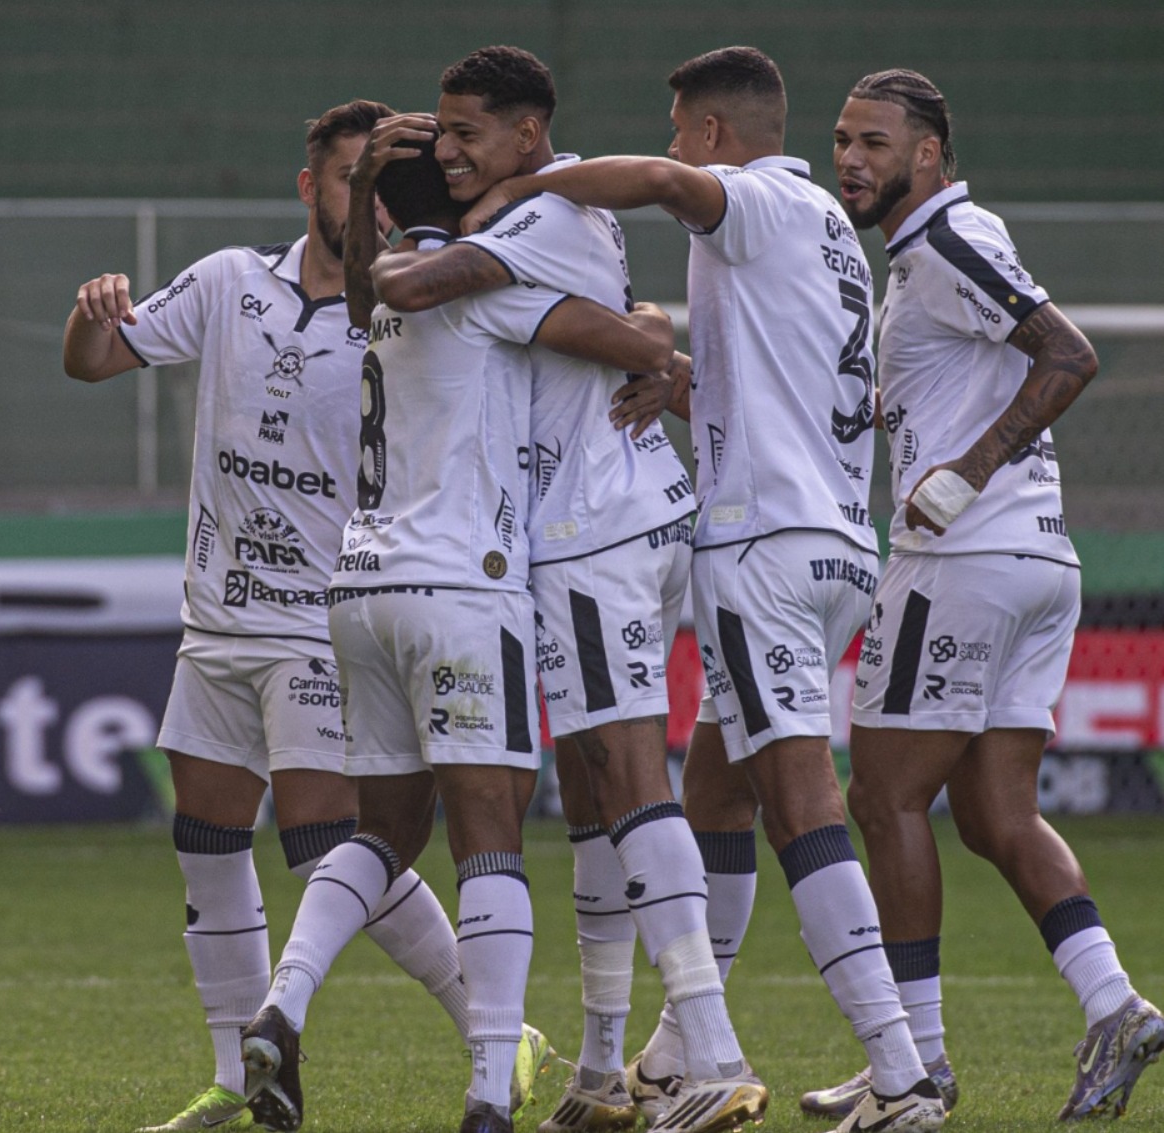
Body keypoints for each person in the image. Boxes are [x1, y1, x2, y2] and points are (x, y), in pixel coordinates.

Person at [462, 46, 951, 1133]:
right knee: (716, 795)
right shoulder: (829, 236)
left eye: (680, 128)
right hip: (833, 542)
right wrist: (682, 380)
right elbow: (776, 377)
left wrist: (522, 185)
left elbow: (661, 183)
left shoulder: (755, 197)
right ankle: (679, 1045)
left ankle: (901, 1072)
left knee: (797, 797)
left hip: (761, 544)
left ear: (713, 134)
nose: (676, 147)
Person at [62, 101, 548, 1133]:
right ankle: (237, 1073)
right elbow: (96, 360)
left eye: (376, 187)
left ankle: (498, 1032)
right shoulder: (231, 282)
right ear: (307, 187)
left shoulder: (406, 309)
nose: (360, 205)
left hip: (326, 618)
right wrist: (91, 309)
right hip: (218, 617)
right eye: (344, 182)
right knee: (205, 834)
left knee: (331, 836)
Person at [236, 133, 678, 1133]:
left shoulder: (378, 300)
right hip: (465, 584)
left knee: (382, 831)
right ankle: (488, 1093)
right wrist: (647, 320)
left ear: (387, 216)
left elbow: (368, 281)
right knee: (490, 839)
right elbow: (642, 347)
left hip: (360, 585)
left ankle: (284, 1001)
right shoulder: (490, 287)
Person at [371, 46, 766, 1133]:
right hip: (603, 523)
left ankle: (708, 1054)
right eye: (439, 134)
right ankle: (598, 1071)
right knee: (591, 793)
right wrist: (654, 347)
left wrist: (402, 210)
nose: (448, 151)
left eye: (467, 133)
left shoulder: (538, 214)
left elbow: (412, 282)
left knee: (635, 774)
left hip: (593, 528)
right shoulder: (551, 215)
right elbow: (631, 327)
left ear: (529, 133)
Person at [796, 67, 1164, 1124]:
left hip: (964, 556)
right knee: (995, 811)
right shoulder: (922, 257)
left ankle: (914, 1065)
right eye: (841, 142)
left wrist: (967, 468)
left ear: (929, 155)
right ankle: (1113, 1002)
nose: (852, 161)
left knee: (883, 795)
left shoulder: (949, 242)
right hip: (1035, 559)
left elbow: (1068, 352)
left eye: (874, 142)